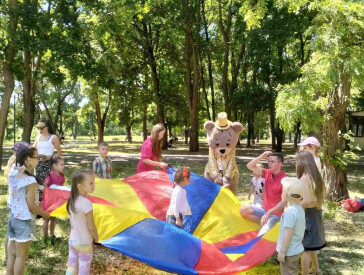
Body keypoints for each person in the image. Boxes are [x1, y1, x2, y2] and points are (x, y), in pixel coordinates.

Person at [6, 147, 50, 274]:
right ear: (29, 159)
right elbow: (31, 205)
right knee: (21, 256)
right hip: (23, 221)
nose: (39, 160)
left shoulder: (13, 171)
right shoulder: (29, 180)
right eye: (37, 158)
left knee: (12, 254)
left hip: (12, 217)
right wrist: (45, 214)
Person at [240, 151, 287, 235]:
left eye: (272, 162)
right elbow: (249, 166)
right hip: (263, 210)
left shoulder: (285, 179)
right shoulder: (267, 173)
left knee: (261, 237)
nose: (269, 164)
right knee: (243, 210)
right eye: (269, 162)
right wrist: (261, 156)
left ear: (280, 164)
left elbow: (284, 202)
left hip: (275, 214)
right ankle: (262, 222)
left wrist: (269, 213)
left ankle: (267, 224)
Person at [297, 151, 326, 275]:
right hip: (317, 213)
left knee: (304, 249)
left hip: (307, 215)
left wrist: (294, 207)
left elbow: (306, 201)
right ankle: (316, 269)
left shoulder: (304, 178)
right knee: (312, 245)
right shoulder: (317, 176)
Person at [3, 142, 31, 266]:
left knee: (11, 233)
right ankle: (12, 257)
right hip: (18, 206)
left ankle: (9, 257)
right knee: (14, 234)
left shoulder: (15, 166)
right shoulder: (19, 169)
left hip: (14, 203)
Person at [66, 170, 98, 275]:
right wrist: (97, 238)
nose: (93, 185)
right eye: (90, 183)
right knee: (84, 270)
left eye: (93, 182)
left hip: (72, 241)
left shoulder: (71, 200)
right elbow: (91, 227)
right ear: (80, 186)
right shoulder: (86, 203)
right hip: (84, 243)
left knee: (71, 268)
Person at [276, 177, 305, 275]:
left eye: (282, 191)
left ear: (286, 195)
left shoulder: (290, 212)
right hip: (296, 248)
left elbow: (288, 234)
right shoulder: (299, 209)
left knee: (287, 272)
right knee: (292, 272)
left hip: (288, 252)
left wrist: (282, 251)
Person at [33, 118, 62, 200]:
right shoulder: (38, 137)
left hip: (48, 165)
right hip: (38, 165)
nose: (40, 130)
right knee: (38, 186)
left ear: (48, 127)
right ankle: (39, 206)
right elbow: (33, 149)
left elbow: (59, 153)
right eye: (38, 127)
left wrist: (50, 157)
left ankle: (48, 204)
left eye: (42, 128)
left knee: (47, 185)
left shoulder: (53, 137)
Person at [43, 157, 65, 240]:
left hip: (56, 201)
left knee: (53, 218)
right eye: (61, 165)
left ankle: (52, 235)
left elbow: (62, 188)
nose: (63, 166)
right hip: (49, 201)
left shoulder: (61, 176)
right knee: (46, 218)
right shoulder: (50, 175)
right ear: (55, 166)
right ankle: (45, 237)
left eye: (63, 164)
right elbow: (45, 186)